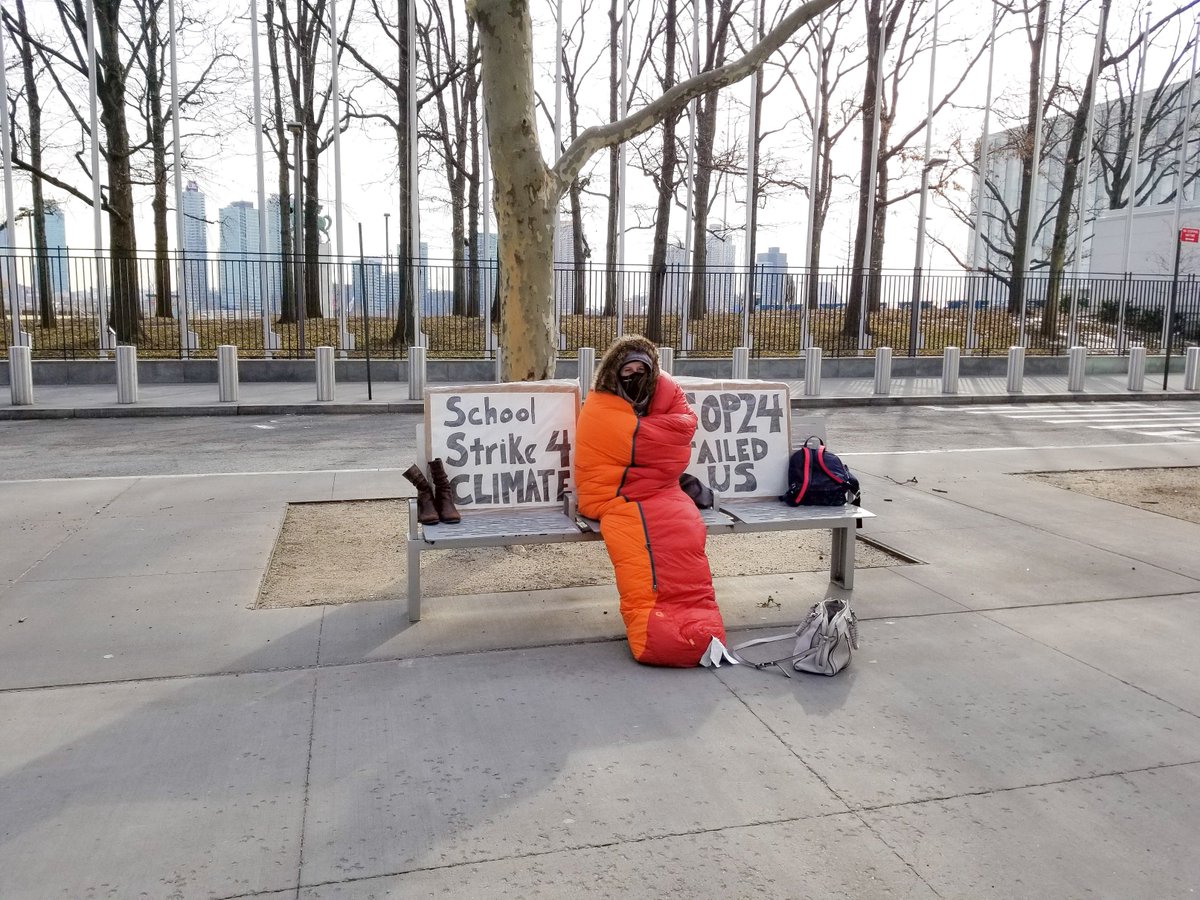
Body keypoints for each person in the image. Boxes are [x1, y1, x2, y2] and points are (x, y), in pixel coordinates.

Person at [573, 335, 727, 667]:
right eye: (627, 371)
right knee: (639, 540)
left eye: (640, 370)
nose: (634, 376)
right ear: (614, 372)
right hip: (613, 491)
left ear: (652, 371)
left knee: (685, 529)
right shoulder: (600, 404)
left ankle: (699, 630)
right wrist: (653, 433)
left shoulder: (666, 389)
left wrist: (647, 432)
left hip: (661, 487)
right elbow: (633, 440)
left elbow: (683, 429)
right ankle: (658, 634)